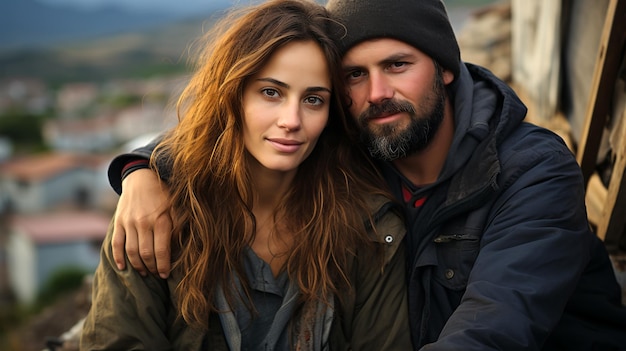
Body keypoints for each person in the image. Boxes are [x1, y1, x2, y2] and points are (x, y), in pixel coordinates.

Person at [108, 0, 626, 350]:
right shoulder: (362, 145)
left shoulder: (533, 171)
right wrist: (143, 170)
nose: (376, 91)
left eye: (397, 65)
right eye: (355, 74)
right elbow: (240, 133)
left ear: (446, 68)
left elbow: (495, 327)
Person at [80, 0, 413, 350]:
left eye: (313, 99)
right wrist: (139, 169)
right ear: (232, 94)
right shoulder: (158, 212)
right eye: (271, 92)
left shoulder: (369, 228)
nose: (291, 120)